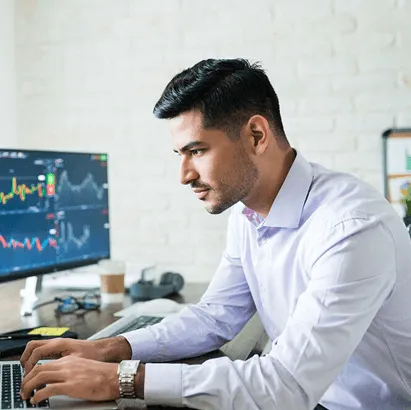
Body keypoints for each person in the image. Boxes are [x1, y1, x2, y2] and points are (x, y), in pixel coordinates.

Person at [20, 58, 411, 410]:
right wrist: (107, 348)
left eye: (197, 151)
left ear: (257, 135)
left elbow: (286, 386)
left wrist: (121, 379)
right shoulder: (248, 212)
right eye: (181, 155)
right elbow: (215, 318)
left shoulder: (350, 229)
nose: (184, 175)